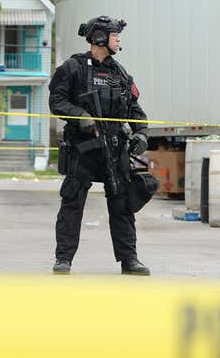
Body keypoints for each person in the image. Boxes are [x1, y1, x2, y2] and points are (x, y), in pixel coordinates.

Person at [49, 16, 151, 275]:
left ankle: (130, 260)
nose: (118, 40)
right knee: (72, 202)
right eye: (114, 35)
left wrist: (141, 133)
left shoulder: (120, 74)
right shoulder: (73, 68)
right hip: (83, 148)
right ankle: (64, 259)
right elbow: (57, 101)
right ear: (99, 38)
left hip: (115, 148)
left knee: (122, 204)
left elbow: (135, 110)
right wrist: (80, 116)